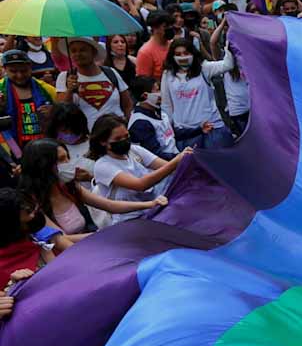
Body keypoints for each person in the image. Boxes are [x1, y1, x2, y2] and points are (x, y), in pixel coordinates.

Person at [18, 138, 168, 234]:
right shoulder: (31, 203)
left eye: (67, 158)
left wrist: (150, 204)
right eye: (62, 160)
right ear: (43, 165)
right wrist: (101, 237)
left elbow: (110, 205)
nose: (68, 164)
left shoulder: (69, 188)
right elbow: (61, 241)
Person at [88, 115, 189, 224]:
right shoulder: (103, 166)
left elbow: (165, 166)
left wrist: (186, 160)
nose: (124, 141)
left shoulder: (134, 151)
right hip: (129, 220)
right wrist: (176, 161)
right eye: (117, 139)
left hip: (155, 210)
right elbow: (140, 185)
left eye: (126, 136)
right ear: (103, 142)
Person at [160, 37, 235, 150]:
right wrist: (170, 131)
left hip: (212, 129)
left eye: (186, 53)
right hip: (186, 133)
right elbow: (166, 105)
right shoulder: (168, 74)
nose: (183, 57)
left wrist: (230, 41)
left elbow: (227, 65)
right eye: (178, 54)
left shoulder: (204, 68)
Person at [55, 37, 133, 131]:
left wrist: (127, 127)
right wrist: (70, 90)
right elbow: (61, 111)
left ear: (94, 52)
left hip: (116, 136)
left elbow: (127, 104)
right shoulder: (64, 77)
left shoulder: (111, 73)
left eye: (83, 50)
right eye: (73, 51)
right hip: (85, 138)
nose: (78, 54)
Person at [0, 50, 56, 148]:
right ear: (5, 69)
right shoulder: (1, 89)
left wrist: (54, 111)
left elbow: (65, 111)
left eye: (23, 71)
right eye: (13, 71)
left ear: (30, 68)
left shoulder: (45, 89)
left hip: (45, 146)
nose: (19, 75)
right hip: (12, 148)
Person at [128, 77, 178, 161]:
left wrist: (199, 129)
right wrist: (181, 157)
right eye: (157, 90)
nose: (160, 93)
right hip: (163, 167)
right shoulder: (140, 123)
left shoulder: (158, 111)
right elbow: (154, 155)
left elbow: (171, 133)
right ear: (145, 95)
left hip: (174, 159)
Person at [136, 11, 176, 80]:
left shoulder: (173, 45)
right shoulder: (145, 52)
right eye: (165, 26)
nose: (170, 28)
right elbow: (144, 81)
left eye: (171, 25)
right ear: (154, 28)